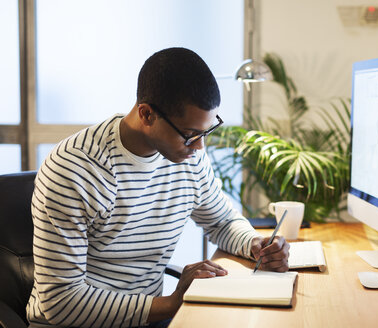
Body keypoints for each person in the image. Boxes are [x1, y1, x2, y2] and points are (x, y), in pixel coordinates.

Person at [27, 47, 290, 328]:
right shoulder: (76, 169)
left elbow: (222, 222)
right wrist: (173, 303)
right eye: (190, 135)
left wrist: (256, 245)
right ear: (147, 114)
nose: (200, 146)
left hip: (146, 319)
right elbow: (61, 303)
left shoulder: (188, 157)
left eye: (206, 131)